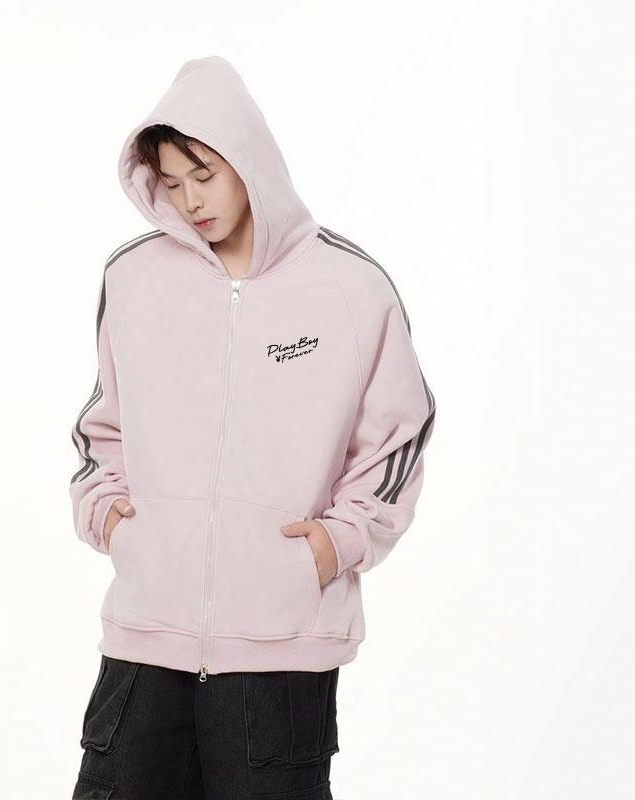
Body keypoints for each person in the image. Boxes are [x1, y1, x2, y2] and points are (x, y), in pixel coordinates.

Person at [68, 55, 436, 800]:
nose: (189, 199)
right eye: (171, 181)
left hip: (281, 653)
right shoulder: (132, 279)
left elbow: (398, 436)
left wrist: (339, 541)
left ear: (248, 159)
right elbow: (101, 426)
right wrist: (106, 511)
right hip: (146, 637)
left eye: (204, 174)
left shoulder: (351, 287)